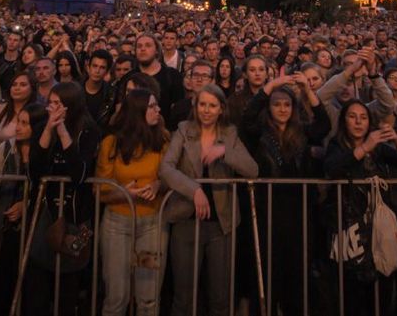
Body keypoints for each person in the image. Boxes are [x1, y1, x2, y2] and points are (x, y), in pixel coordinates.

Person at [160, 84, 259, 316]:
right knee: (183, 296)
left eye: (212, 105)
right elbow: (166, 168)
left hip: (221, 225)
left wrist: (225, 153)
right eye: (202, 104)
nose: (206, 110)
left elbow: (252, 170)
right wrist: (194, 190)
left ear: (221, 109)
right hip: (186, 221)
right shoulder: (184, 129)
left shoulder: (230, 134)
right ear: (195, 106)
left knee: (220, 297)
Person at [239, 73, 331, 316]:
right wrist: (272, 86)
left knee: (297, 274)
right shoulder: (259, 134)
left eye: (287, 105)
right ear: (269, 108)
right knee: (268, 273)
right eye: (277, 104)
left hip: (299, 213)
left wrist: (306, 90)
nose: (282, 109)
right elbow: (247, 116)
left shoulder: (302, 133)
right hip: (268, 211)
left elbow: (324, 124)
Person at [323, 98, 397, 316]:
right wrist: (363, 148)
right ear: (343, 121)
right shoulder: (337, 146)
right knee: (351, 294)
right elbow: (331, 168)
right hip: (349, 227)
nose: (358, 122)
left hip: (377, 228)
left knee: (381, 292)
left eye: (364, 117)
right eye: (352, 117)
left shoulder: (379, 150)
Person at [24, 81, 101, 316]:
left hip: (74, 212)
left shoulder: (88, 130)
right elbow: (34, 170)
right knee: (38, 282)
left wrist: (63, 132)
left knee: (67, 283)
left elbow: (80, 173)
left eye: (59, 104)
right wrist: (48, 130)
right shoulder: (42, 127)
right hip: (44, 209)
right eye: (51, 104)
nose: (53, 109)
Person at [95, 87, 169, 316]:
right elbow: (100, 188)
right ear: (137, 111)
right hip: (117, 224)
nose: (158, 110)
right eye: (152, 106)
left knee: (148, 297)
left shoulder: (162, 139)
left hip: (152, 224)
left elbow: (169, 176)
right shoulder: (111, 143)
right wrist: (122, 192)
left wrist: (157, 185)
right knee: (117, 296)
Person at [0, 102, 47, 316]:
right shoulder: (6, 149)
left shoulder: (44, 152)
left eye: (25, 123)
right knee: (0, 285)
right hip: (3, 227)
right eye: (18, 122)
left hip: (33, 230)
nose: (18, 127)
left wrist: (27, 203)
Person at [0, 70, 37, 153]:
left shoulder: (37, 112)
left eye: (23, 85)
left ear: (32, 88)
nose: (17, 88)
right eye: (14, 85)